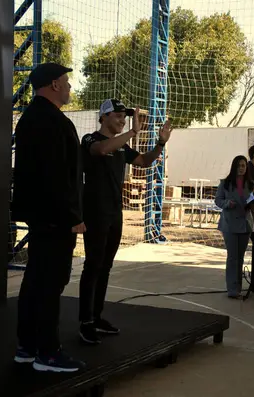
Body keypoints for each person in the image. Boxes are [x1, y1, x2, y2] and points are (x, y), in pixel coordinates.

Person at [11, 63, 86, 372]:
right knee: (50, 284)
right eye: (66, 81)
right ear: (54, 84)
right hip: (55, 217)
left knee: (35, 281)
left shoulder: (29, 119)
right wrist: (72, 216)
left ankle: (27, 346)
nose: (69, 86)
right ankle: (48, 353)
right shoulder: (53, 122)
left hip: (40, 215)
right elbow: (57, 176)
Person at [78, 99, 172, 345]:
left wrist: (161, 143)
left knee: (106, 265)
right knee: (93, 264)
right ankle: (85, 321)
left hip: (115, 212)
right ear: (104, 117)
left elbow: (144, 161)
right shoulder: (90, 139)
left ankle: (96, 317)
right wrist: (132, 132)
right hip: (95, 211)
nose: (123, 120)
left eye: (125, 117)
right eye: (118, 116)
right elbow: (100, 150)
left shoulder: (121, 147)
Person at [214, 155, 254, 299]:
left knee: (241, 257)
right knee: (232, 257)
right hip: (230, 224)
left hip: (245, 224)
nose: (241, 168)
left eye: (243, 166)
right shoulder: (225, 183)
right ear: (234, 167)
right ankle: (232, 288)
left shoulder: (251, 184)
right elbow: (218, 200)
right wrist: (227, 204)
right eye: (238, 165)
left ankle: (238, 286)